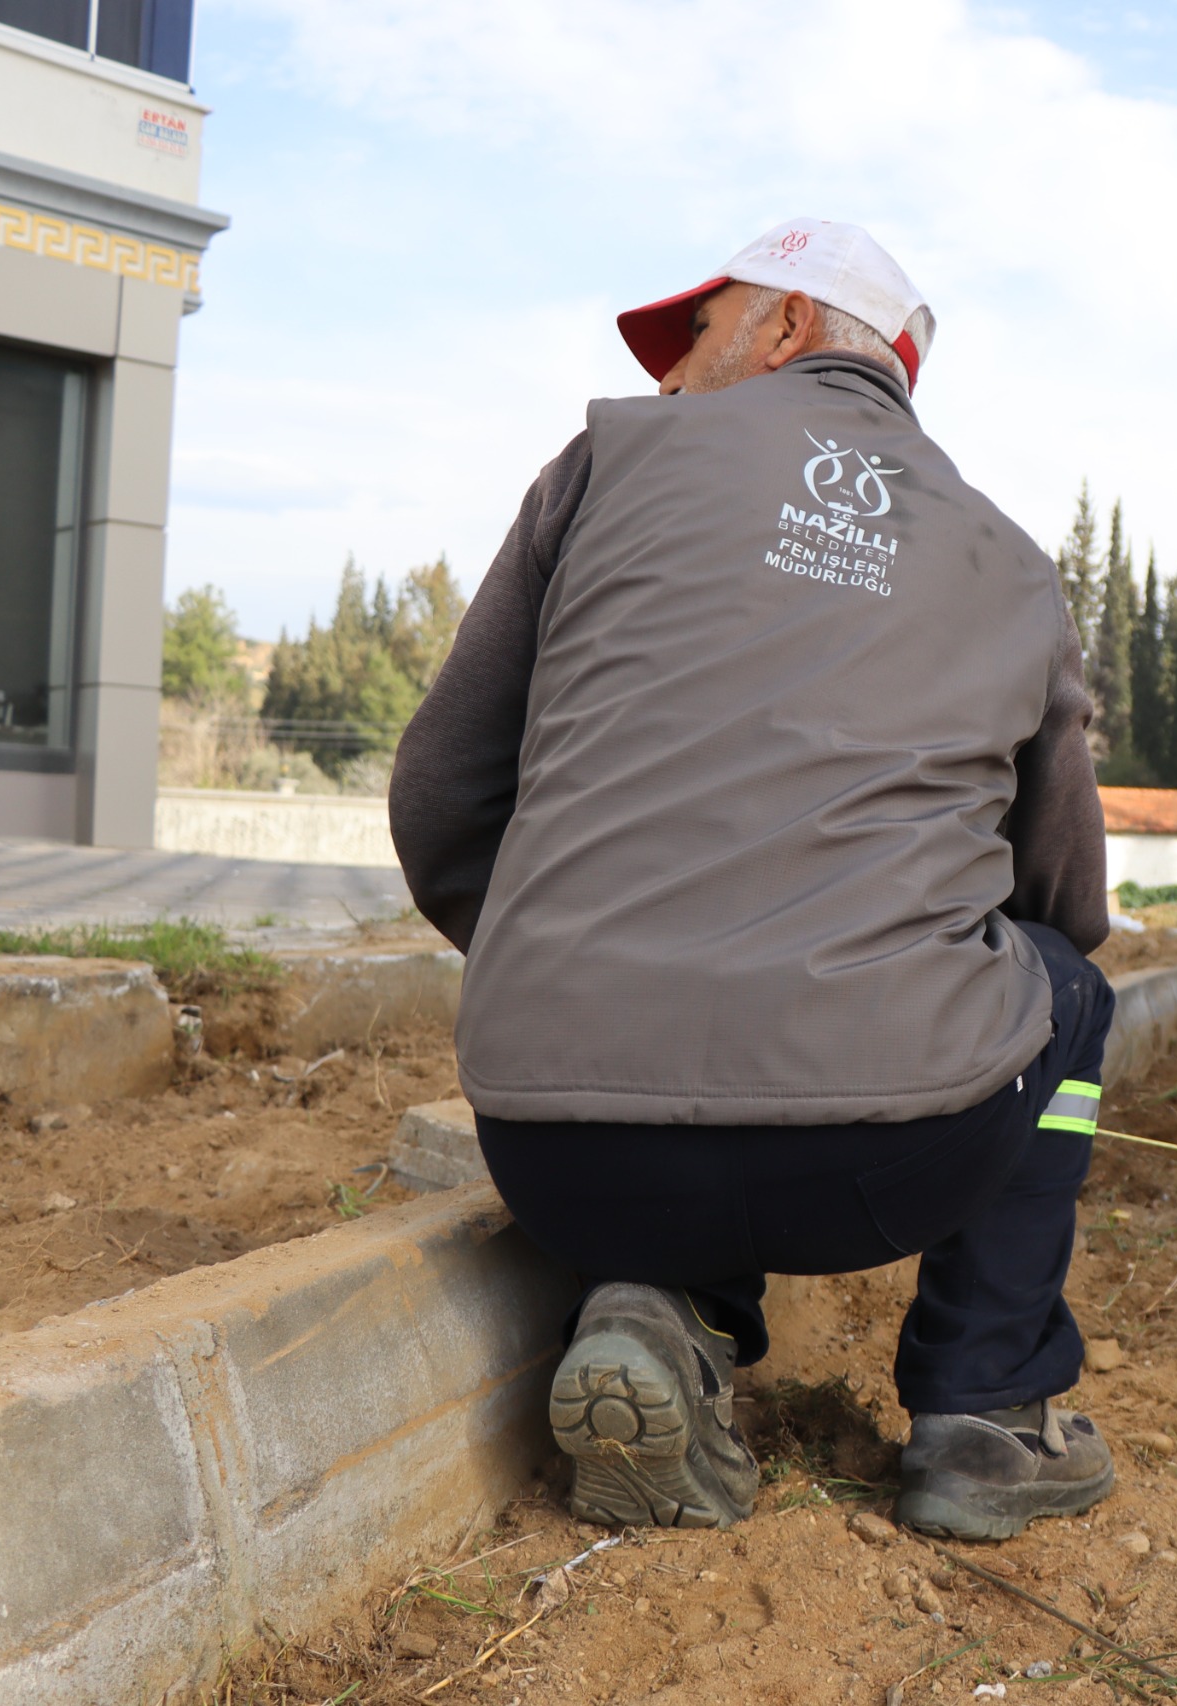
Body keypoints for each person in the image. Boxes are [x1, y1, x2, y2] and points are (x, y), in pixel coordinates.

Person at [389, 219, 1119, 1543]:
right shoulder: (1010, 559)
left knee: (662, 976)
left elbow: (441, 797)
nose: (671, 378)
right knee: (1067, 992)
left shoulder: (611, 456)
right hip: (891, 1160)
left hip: (558, 1148)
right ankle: (988, 1411)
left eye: (698, 334)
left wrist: (563, 957)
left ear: (785, 328)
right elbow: (1062, 899)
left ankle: (661, 1304)